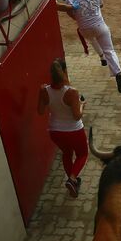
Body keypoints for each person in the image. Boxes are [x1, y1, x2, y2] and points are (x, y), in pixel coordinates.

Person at [58, 0, 121, 93]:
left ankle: (101, 58)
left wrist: (77, 18)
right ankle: (117, 73)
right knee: (109, 50)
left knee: (92, 38)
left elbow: (69, 10)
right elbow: (101, 5)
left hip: (84, 28)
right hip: (100, 26)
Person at [38, 58, 88, 197]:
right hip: (73, 130)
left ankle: (73, 181)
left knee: (67, 153)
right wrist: (82, 105)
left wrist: (41, 93)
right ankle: (72, 179)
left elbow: (41, 111)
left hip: (55, 131)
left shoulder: (44, 90)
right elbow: (77, 116)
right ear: (65, 72)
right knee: (82, 154)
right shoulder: (72, 92)